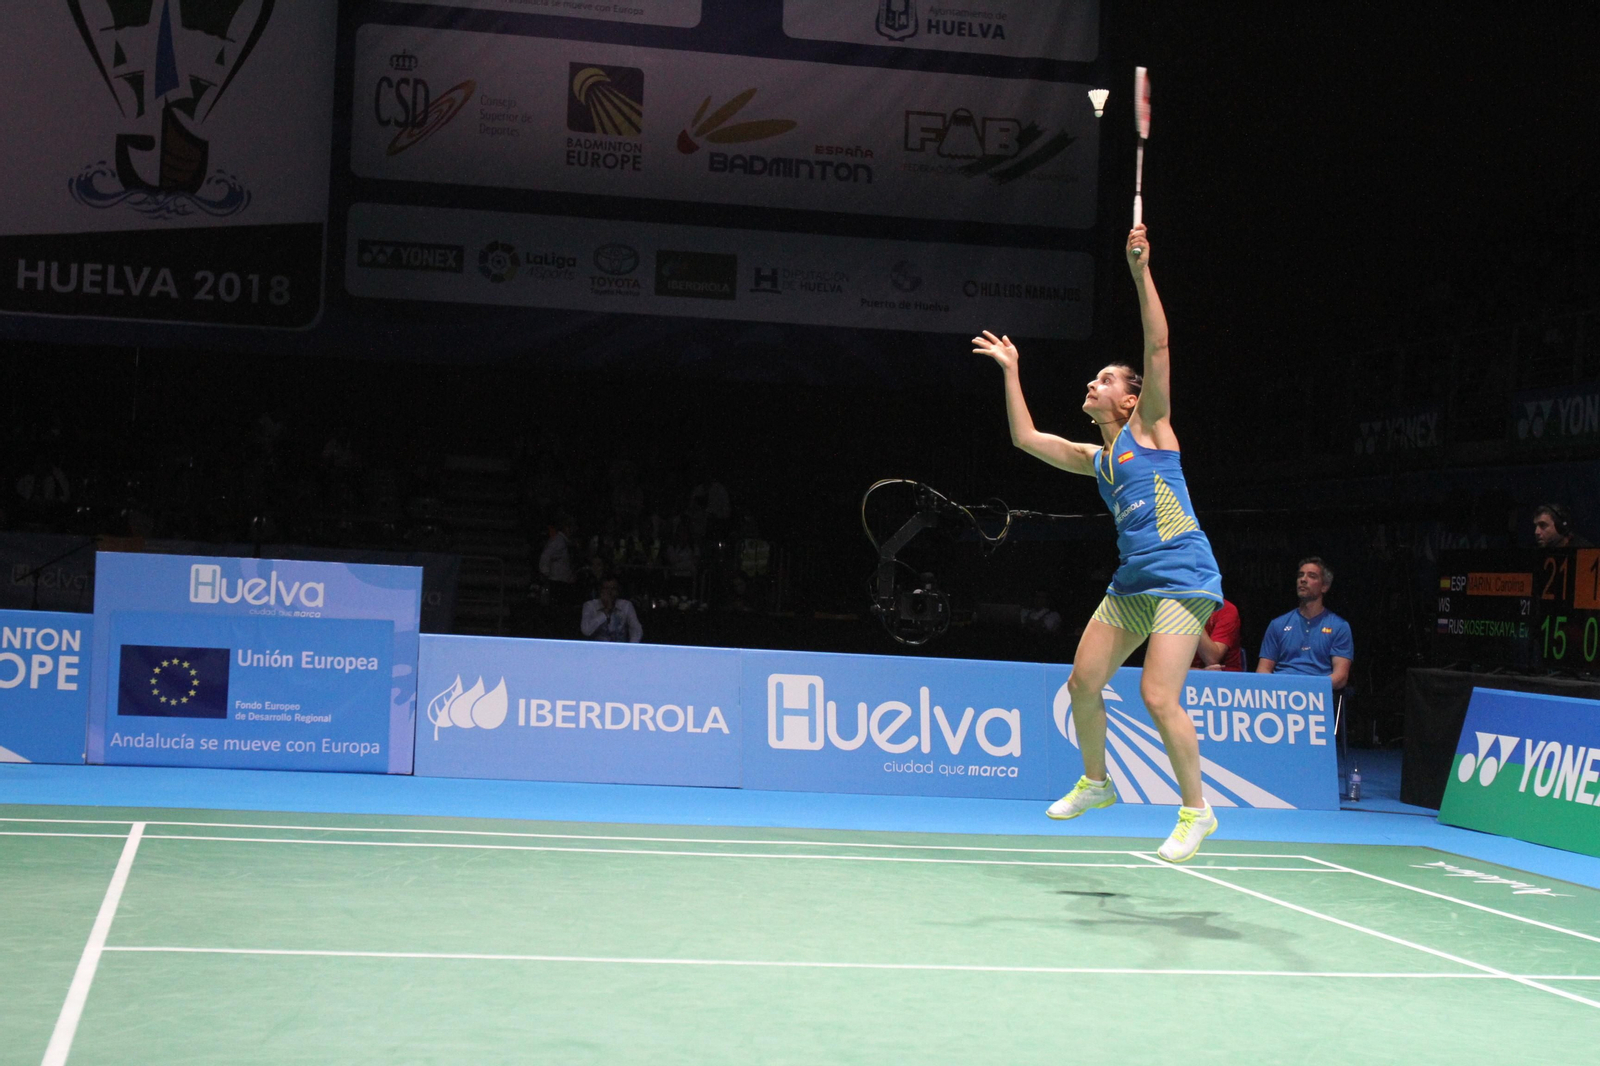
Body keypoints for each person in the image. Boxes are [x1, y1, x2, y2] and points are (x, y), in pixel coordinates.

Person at [974, 223, 1223, 863]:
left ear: (1131, 397)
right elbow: (1026, 439)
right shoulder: (1099, 459)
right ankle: (1098, 781)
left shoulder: (1153, 428)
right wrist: (1012, 369)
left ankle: (1197, 811)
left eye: (1105, 379)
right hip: (1135, 581)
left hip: (1185, 576)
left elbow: (1159, 343)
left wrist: (1140, 271)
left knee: (1157, 694)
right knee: (1083, 683)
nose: (1094, 383)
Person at [1256, 558, 1353, 690]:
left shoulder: (1339, 626)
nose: (1303, 579)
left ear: (1324, 586)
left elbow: (1340, 677)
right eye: (1300, 575)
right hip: (1280, 693)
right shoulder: (1277, 624)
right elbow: (1263, 670)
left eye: (1312, 576)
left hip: (1318, 696)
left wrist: (1306, 689)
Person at [581, 577, 643, 642]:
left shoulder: (626, 605)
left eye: (613, 588)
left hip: (620, 648)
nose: (609, 592)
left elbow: (637, 630)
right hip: (598, 649)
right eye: (606, 588)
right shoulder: (590, 605)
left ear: (618, 591)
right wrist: (606, 611)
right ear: (600, 590)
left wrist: (631, 647)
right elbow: (586, 631)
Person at [1193, 597, 1246, 671]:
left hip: (1224, 678)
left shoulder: (1226, 609)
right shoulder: (1173, 608)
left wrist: (1192, 617)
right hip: (1185, 675)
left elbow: (1212, 659)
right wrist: (1200, 672)